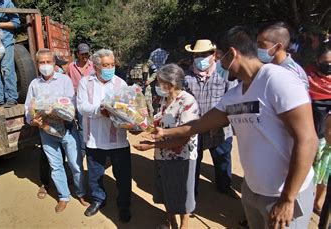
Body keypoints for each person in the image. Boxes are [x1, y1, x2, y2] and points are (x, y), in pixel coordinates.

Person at [136, 26, 317, 229]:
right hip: (252, 192)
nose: (219, 63)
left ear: (232, 53)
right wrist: (164, 132)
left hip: (284, 195)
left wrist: (288, 198)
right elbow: (198, 125)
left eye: (219, 57)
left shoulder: (277, 80)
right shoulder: (235, 95)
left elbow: (308, 140)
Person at [133, 64, 199, 229]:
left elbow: (183, 139)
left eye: (160, 82)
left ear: (172, 84)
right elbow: (160, 124)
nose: (158, 86)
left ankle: (184, 225)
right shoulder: (164, 100)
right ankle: (172, 222)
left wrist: (151, 145)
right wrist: (142, 127)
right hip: (162, 155)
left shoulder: (187, 102)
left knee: (182, 195)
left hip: (181, 158)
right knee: (166, 192)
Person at [24, 49, 88, 213]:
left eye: (48, 62)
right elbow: (28, 108)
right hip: (46, 132)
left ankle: (81, 193)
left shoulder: (65, 81)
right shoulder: (34, 84)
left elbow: (71, 106)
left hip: (67, 130)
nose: (45, 65)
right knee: (56, 165)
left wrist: (58, 111)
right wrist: (32, 120)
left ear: (54, 63)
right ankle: (63, 196)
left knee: (75, 164)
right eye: (41, 62)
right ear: (37, 64)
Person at [77, 49, 132, 222]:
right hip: (94, 138)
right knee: (94, 174)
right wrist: (100, 110)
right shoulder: (86, 82)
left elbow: (128, 108)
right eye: (105, 65)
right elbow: (81, 107)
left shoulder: (121, 83)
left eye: (112, 64)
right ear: (95, 66)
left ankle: (124, 205)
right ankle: (99, 200)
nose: (110, 68)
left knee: (123, 176)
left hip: (118, 140)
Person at [183, 39, 238, 198]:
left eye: (204, 54)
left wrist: (220, 122)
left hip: (220, 128)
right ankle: (192, 192)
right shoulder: (187, 77)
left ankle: (224, 186)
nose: (200, 58)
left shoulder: (226, 74)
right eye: (197, 55)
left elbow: (232, 100)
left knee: (223, 159)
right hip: (195, 127)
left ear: (214, 55)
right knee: (194, 160)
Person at [304, 47, 331, 215]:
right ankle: (304, 199)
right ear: (318, 60)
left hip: (329, 139)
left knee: (326, 172)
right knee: (305, 170)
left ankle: (318, 203)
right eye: (326, 62)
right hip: (308, 135)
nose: (329, 65)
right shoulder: (307, 77)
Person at [256, 22, 309, 88]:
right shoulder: (265, 68)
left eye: (261, 45)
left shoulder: (293, 74)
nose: (257, 48)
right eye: (257, 44)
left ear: (278, 47)